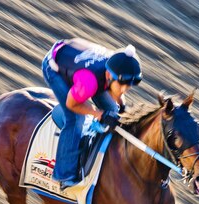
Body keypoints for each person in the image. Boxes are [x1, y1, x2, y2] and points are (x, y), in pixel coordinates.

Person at [42, 38, 143, 188]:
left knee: (114, 112)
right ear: (109, 76)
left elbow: (117, 95)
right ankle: (64, 175)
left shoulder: (114, 68)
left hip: (82, 64)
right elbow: (72, 104)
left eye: (127, 87)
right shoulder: (89, 82)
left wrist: (121, 106)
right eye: (121, 85)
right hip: (55, 68)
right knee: (75, 118)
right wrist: (98, 114)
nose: (123, 90)